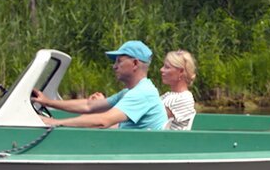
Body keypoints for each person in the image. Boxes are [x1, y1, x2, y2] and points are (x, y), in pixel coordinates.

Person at [31, 40, 168, 130]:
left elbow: (104, 121)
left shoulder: (142, 93)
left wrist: (55, 122)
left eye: (119, 61)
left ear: (135, 64)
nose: (114, 67)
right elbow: (88, 106)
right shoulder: (129, 92)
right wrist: (47, 101)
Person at [159, 50, 197, 130]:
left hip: (170, 141)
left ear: (181, 71)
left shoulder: (184, 98)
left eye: (167, 67)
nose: (161, 70)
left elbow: (153, 117)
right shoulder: (168, 95)